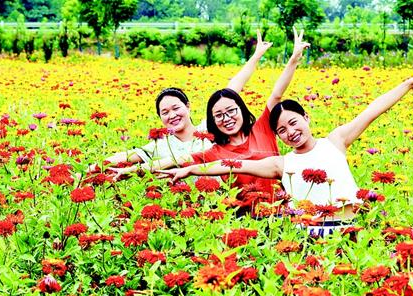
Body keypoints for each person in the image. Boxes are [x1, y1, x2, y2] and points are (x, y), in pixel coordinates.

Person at [157, 64, 413, 232]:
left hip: (352, 225)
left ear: (306, 118)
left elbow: (372, 111)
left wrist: (407, 85)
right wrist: (189, 171)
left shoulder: (335, 141)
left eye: (293, 123)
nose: (291, 132)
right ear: (278, 136)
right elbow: (232, 164)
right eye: (282, 131)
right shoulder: (282, 164)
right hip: (308, 234)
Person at [111, 28, 310, 205]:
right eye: (219, 115)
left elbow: (276, 94)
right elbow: (171, 161)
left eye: (231, 111)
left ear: (241, 109)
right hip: (244, 219)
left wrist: (292, 60)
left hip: (281, 213)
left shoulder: (262, 128)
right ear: (212, 121)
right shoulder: (213, 152)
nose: (227, 118)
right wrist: (130, 171)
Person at [88, 30, 273, 173]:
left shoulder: (209, 129)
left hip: (219, 200)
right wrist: (92, 168)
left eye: (176, 108)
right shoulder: (160, 145)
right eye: (165, 112)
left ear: (187, 107)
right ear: (160, 117)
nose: (172, 115)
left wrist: (256, 57)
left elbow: (233, 89)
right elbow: (127, 156)